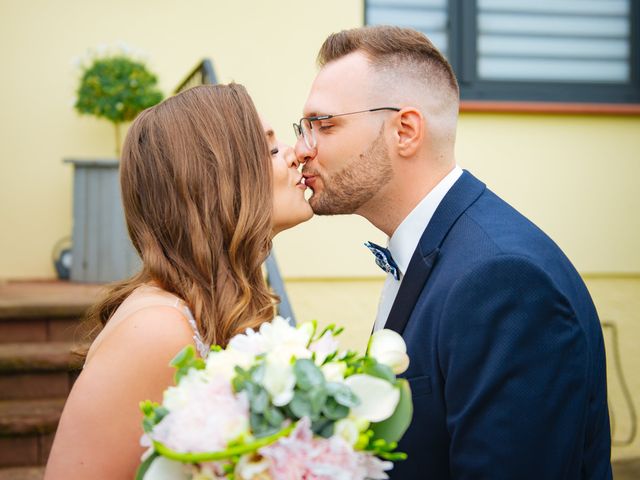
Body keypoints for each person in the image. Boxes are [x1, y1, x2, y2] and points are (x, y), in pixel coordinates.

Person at [294, 25, 612, 479]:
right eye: (303, 128)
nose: (303, 150)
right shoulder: (438, 250)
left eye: (323, 125)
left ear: (405, 130)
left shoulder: (504, 280)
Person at [45, 84, 312, 479]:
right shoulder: (156, 330)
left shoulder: (213, 306)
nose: (295, 154)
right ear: (216, 180)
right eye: (271, 150)